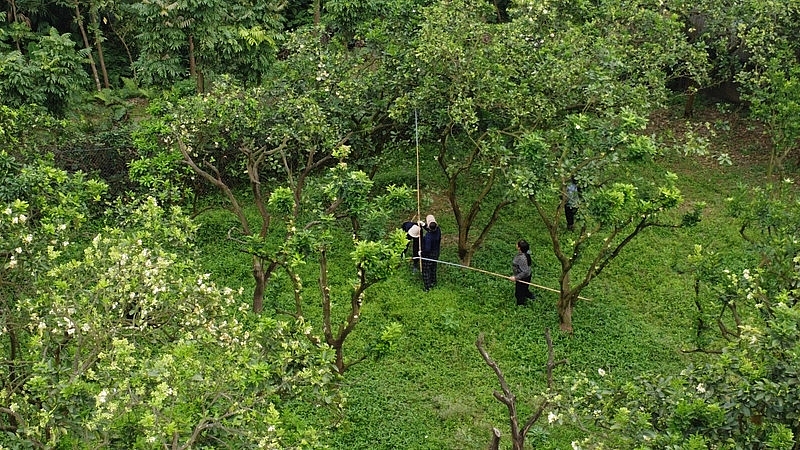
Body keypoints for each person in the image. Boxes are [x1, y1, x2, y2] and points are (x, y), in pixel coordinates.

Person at [509, 239, 535, 306]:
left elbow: (525, 272)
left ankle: (520, 305)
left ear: (519, 248)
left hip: (523, 277)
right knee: (525, 288)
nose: (516, 244)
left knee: (519, 293)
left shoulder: (522, 259)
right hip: (528, 275)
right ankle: (528, 294)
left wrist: (516, 278)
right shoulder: (528, 251)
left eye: (517, 244)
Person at [420, 214, 441, 291]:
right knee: (433, 268)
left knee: (426, 270)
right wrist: (424, 225)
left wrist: (421, 253)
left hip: (428, 255)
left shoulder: (428, 237)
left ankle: (427, 287)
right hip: (436, 253)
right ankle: (433, 281)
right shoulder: (438, 230)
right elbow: (430, 229)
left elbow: (427, 249)